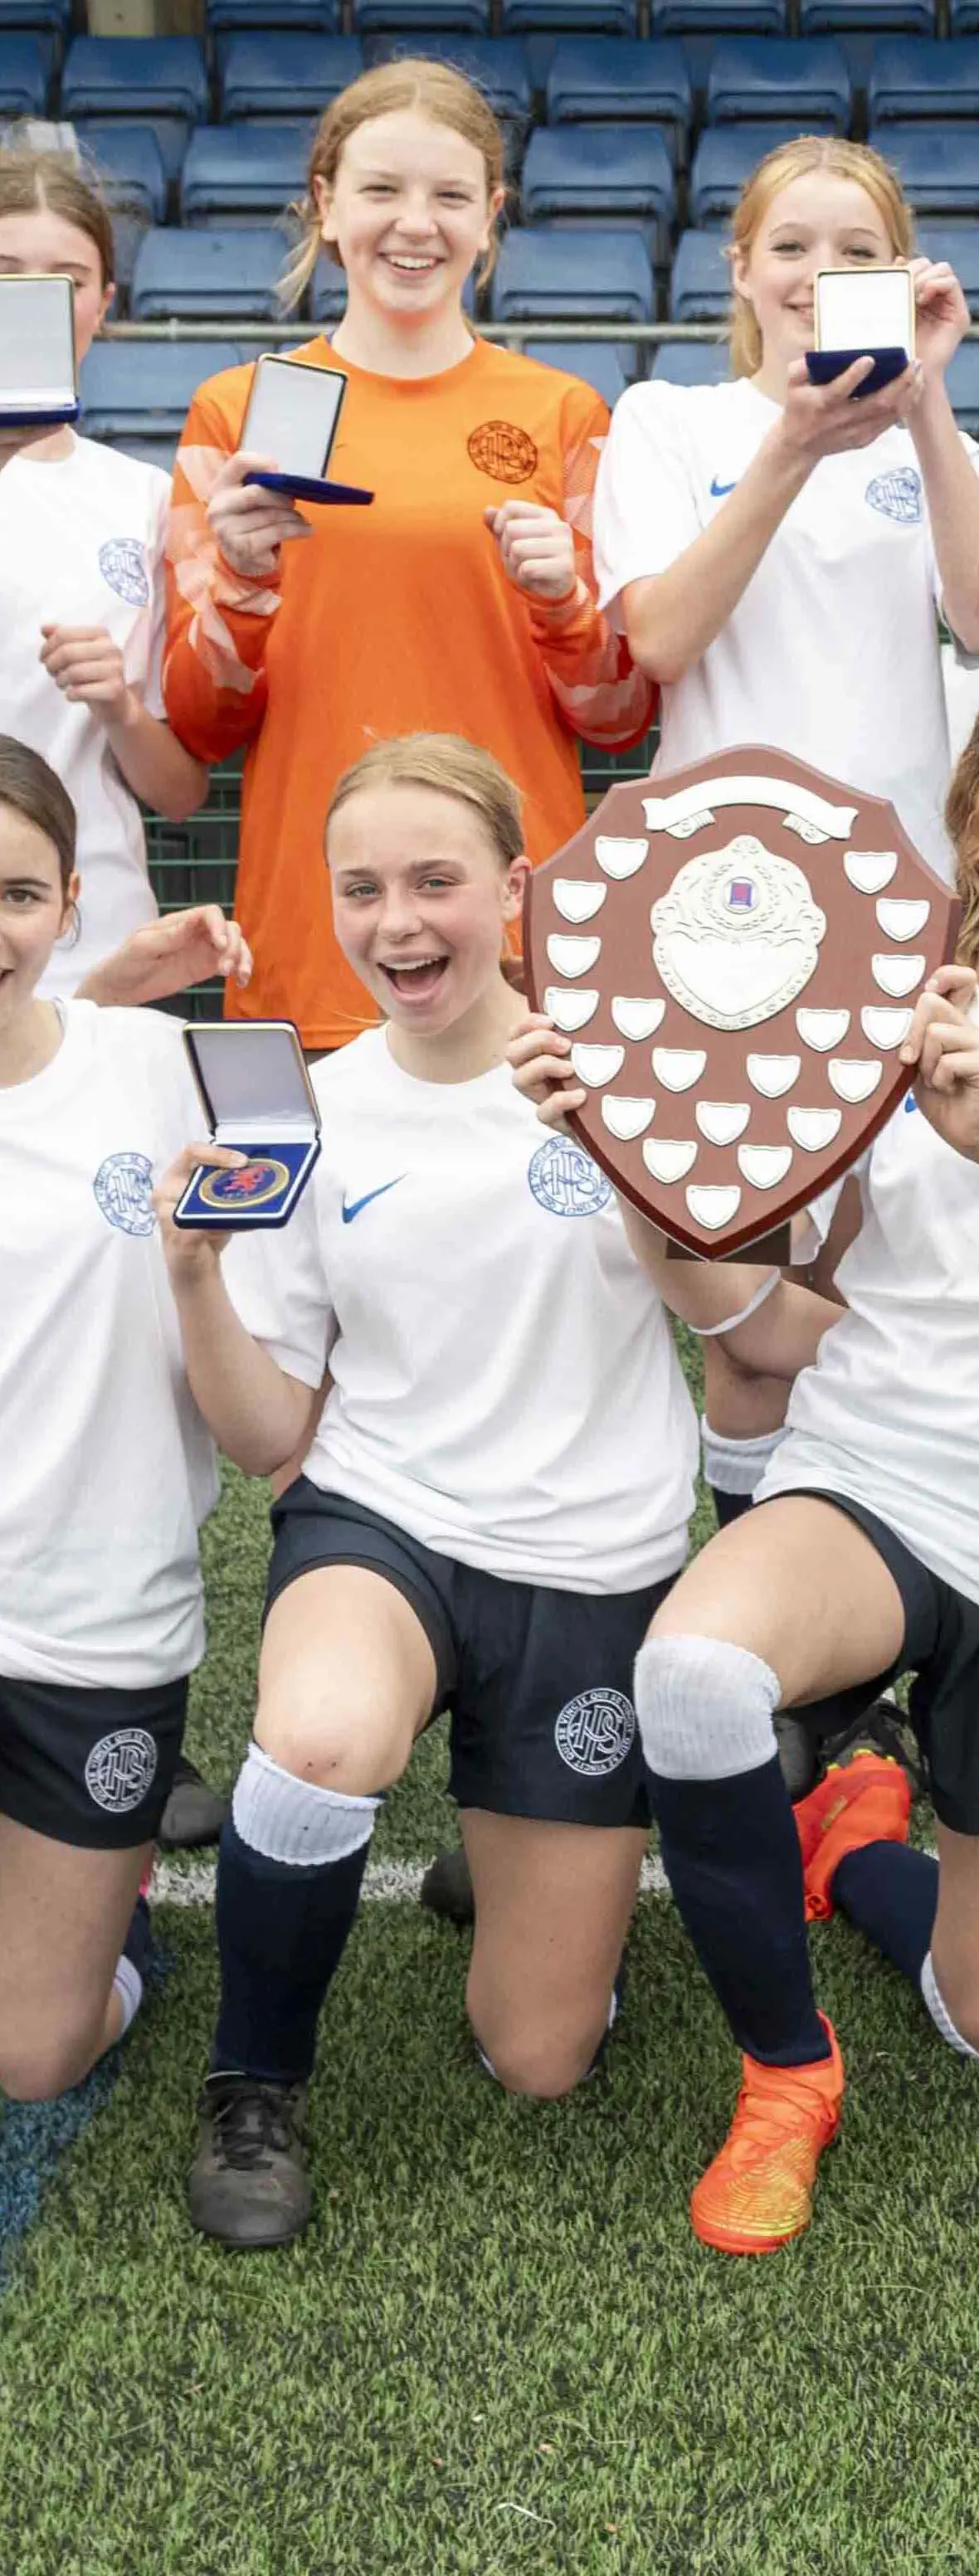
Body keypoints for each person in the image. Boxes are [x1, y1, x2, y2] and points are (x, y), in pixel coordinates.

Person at [515, 647, 979, 2257]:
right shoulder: (872, 1019)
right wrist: (619, 1155)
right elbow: (759, 1315)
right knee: (694, 1674)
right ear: (973, 821)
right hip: (874, 1474)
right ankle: (785, 2072)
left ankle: (855, 1845)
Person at [149, 734, 825, 2249]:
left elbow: (749, 1328)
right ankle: (252, 2085)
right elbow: (271, 1438)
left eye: (436, 882)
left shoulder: (630, 1064)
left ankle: (517, 1870)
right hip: (386, 1529)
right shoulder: (310, 1114)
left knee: (541, 2056)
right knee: (318, 1738)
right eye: (363, 889)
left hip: (595, 1565)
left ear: (514, 890)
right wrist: (194, 1277)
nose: (400, 924)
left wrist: (617, 1143)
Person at [593, 131, 979, 1658]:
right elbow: (653, 642)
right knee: (754, 1307)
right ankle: (759, 1652)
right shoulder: (668, 421)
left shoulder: (919, 440)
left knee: (882, 1269)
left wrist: (929, 417)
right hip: (721, 922)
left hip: (903, 916)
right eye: (792, 247)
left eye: (854, 251)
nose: (813, 275)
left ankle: (864, 1650)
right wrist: (789, 446)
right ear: (741, 268)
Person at [162, 60, 654, 1054]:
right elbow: (200, 719)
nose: (415, 223)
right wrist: (245, 586)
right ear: (326, 206)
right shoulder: (236, 410)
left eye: (450, 196)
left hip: (517, 934)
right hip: (316, 932)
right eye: (382, 190)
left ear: (492, 214)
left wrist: (563, 605)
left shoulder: (562, 413)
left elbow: (617, 715)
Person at [0, 737, 254, 2110]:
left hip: (89, 1627)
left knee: (30, 2056)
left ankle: (117, 1913)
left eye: (17, 896)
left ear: (69, 903)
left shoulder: (159, 1069)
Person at [0, 149, 207, 996]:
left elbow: (181, 792)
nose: (35, 302)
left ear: (105, 306)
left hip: (100, 954)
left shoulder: (146, 500)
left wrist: (118, 703)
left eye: (68, 280)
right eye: (7, 273)